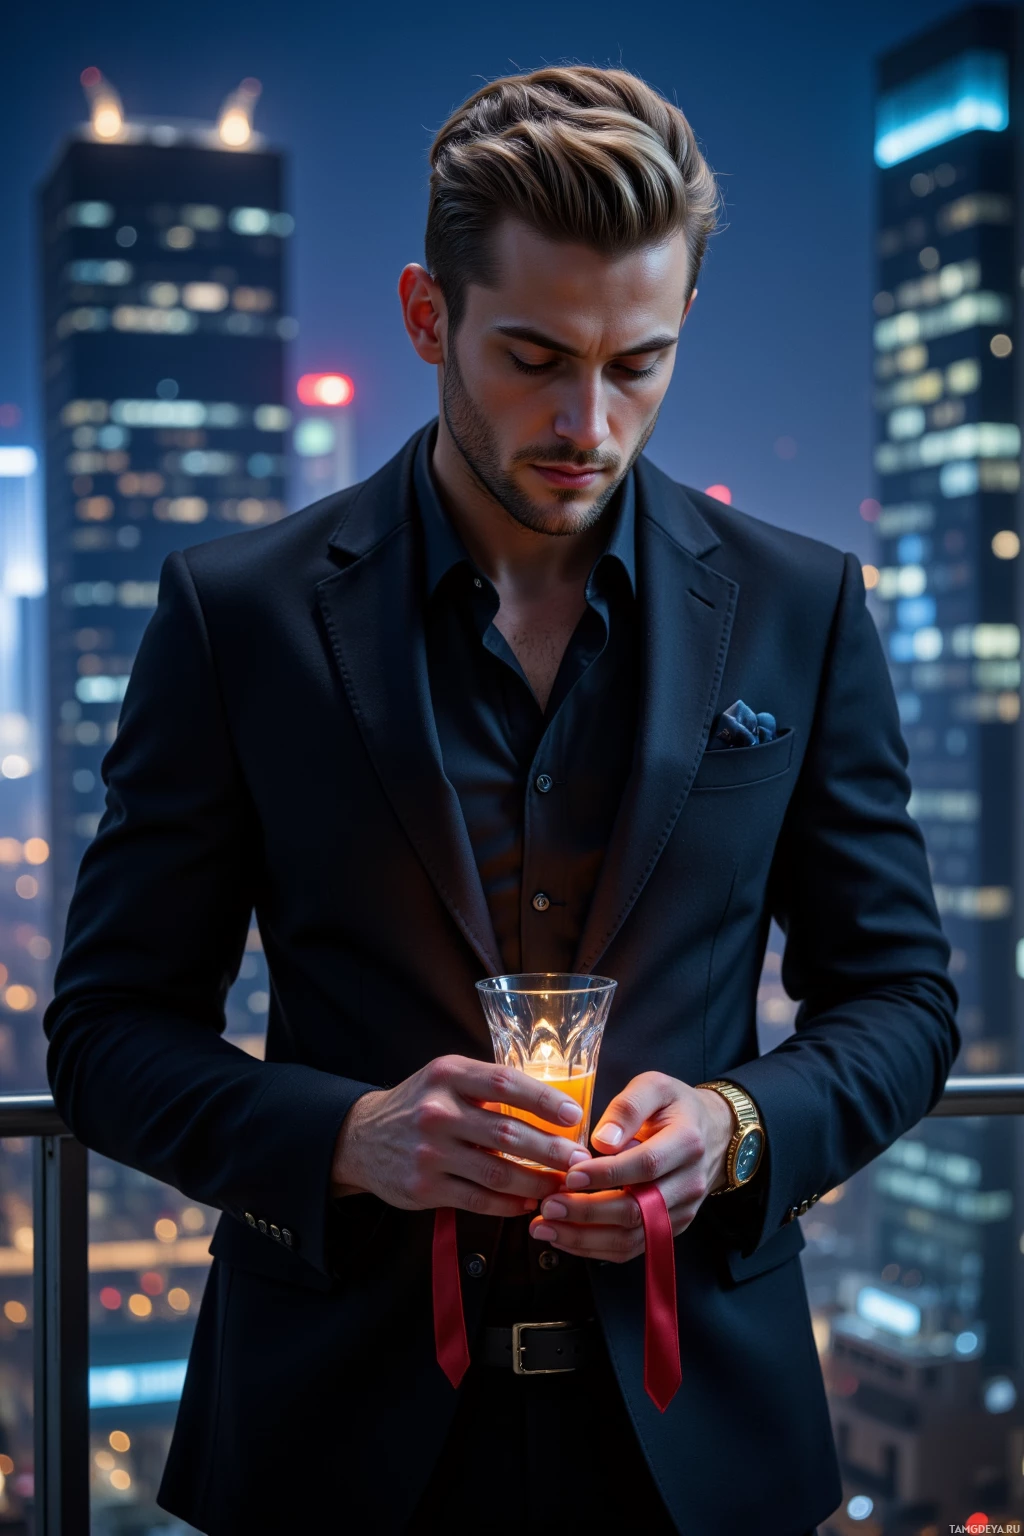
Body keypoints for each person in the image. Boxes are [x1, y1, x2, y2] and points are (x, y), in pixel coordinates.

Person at [44, 64, 958, 1536]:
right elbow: (101, 1038)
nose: (589, 421)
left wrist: (733, 1125)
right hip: (335, 1442)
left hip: (701, 1439)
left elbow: (906, 1002)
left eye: (638, 363)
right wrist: (351, 1139)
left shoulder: (805, 609)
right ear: (428, 318)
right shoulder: (242, 618)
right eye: (535, 356)